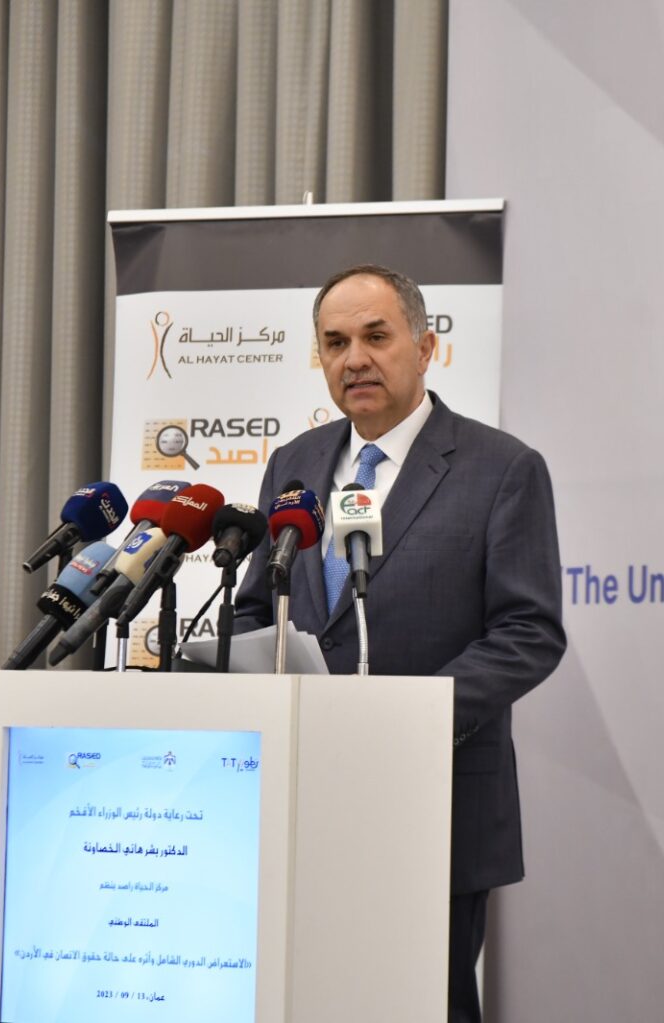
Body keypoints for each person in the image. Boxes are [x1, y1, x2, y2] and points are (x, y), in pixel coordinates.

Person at [231, 264, 567, 1022]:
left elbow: (529, 631)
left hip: (434, 798)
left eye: (376, 336)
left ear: (424, 346)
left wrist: (412, 717)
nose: (354, 359)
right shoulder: (294, 465)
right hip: (303, 796)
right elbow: (256, 606)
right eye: (335, 343)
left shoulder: (502, 468)